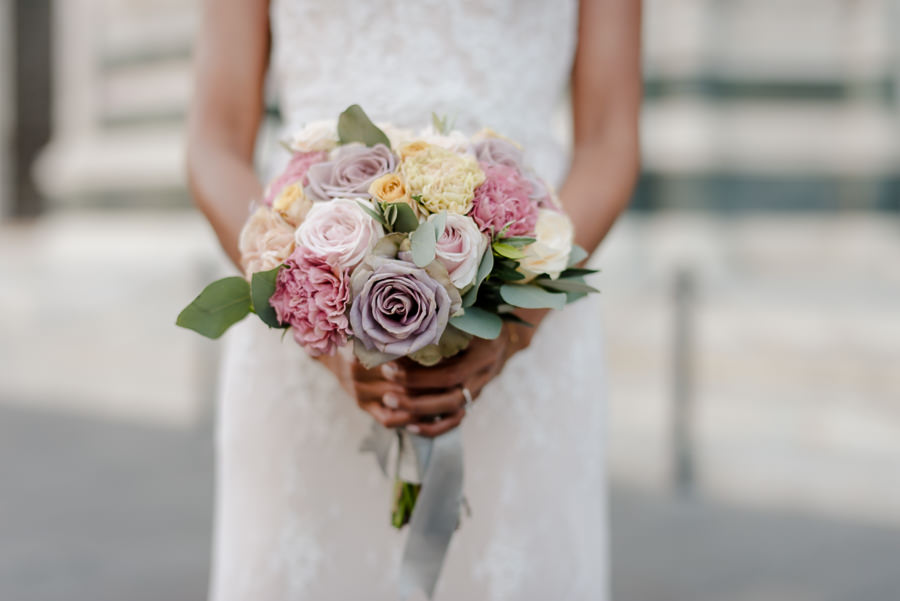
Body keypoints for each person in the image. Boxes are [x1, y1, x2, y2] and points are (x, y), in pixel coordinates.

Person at [187, 0, 641, 599]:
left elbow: (608, 141)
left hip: (531, 308)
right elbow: (215, 142)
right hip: (303, 322)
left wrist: (515, 326)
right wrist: (311, 315)